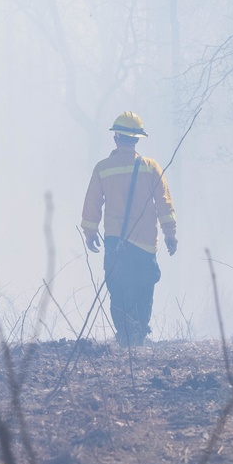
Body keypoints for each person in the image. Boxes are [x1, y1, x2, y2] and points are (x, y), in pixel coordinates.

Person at [81, 112, 177, 345]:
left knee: (119, 290)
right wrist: (170, 233)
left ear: (116, 138)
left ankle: (125, 337)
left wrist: (90, 232)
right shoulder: (150, 167)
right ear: (136, 140)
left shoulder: (102, 168)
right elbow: (164, 202)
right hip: (145, 243)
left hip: (116, 242)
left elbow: (92, 203)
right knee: (144, 289)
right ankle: (139, 334)